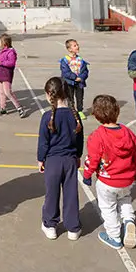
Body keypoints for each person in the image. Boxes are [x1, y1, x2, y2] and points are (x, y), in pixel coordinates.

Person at [82, 95, 136, 250]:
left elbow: (93, 159)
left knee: (108, 207)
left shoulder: (97, 136)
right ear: (117, 111)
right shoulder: (128, 133)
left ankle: (114, 236)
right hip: (127, 179)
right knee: (125, 200)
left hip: (107, 181)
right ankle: (128, 221)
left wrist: (87, 175)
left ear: (95, 115)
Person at [37, 77, 84, 241]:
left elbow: (43, 142)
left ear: (50, 94)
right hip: (70, 160)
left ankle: (50, 225)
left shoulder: (47, 116)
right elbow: (79, 140)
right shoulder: (75, 115)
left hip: (53, 161)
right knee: (71, 193)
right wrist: (78, 155)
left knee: (52, 193)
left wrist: (40, 159)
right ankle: (73, 228)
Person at [0, 33, 26, 117]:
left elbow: (11, 63)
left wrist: (0, 62)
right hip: (0, 73)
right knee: (1, 92)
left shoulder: (11, 52)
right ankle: (2, 108)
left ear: (4, 43)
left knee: (7, 92)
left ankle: (19, 107)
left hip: (6, 74)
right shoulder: (0, 51)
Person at [59, 39, 90, 119]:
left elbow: (85, 71)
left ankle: (80, 111)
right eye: (75, 45)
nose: (77, 46)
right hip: (69, 82)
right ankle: (71, 111)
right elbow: (65, 72)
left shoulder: (81, 60)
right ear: (69, 49)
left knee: (80, 97)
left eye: (77, 45)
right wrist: (75, 77)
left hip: (79, 82)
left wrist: (81, 77)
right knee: (70, 97)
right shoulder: (65, 60)